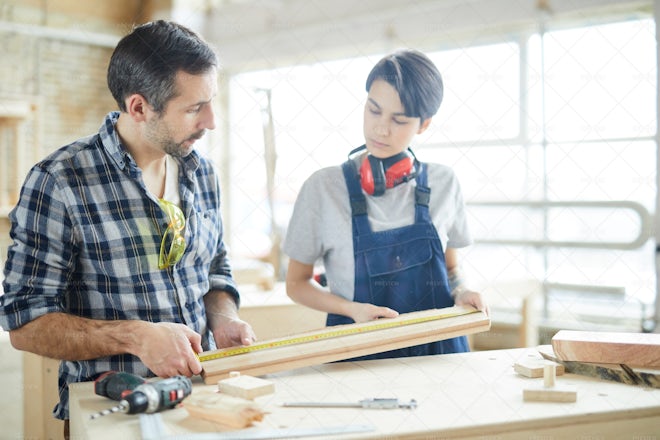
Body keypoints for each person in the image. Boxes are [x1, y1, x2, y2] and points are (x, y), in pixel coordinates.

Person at [0, 20, 256, 433]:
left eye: (210, 102)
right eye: (194, 108)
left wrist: (223, 319)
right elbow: (25, 323)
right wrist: (136, 337)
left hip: (204, 405)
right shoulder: (60, 182)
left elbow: (215, 271)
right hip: (111, 417)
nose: (211, 121)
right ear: (138, 108)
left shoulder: (201, 173)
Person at [283, 49, 489, 359]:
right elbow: (296, 284)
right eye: (373, 110)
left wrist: (463, 291)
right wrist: (351, 309)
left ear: (424, 124)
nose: (381, 128)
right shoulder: (323, 188)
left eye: (399, 119)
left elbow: (450, 269)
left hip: (440, 354)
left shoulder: (443, 184)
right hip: (357, 349)